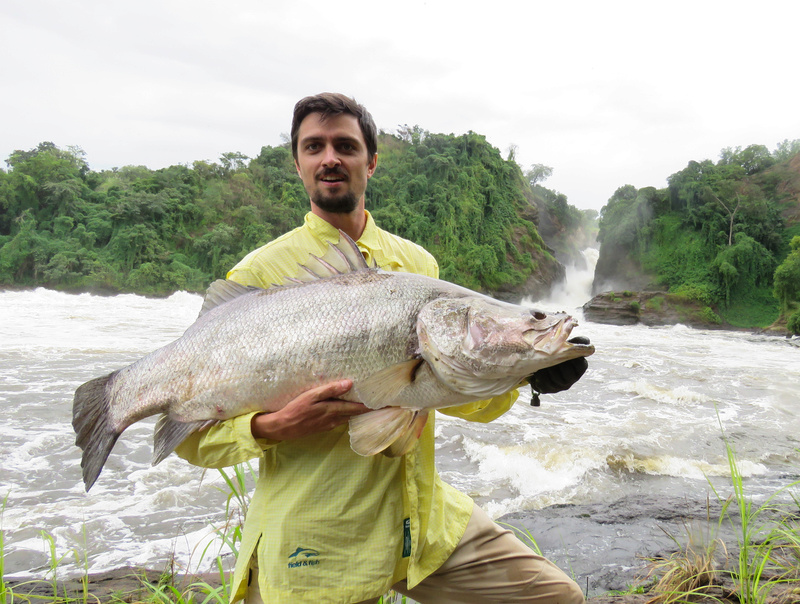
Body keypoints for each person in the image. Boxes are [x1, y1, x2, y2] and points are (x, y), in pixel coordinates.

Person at [176, 93, 587, 604]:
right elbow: (189, 438)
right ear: (298, 163)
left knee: (556, 598)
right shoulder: (259, 277)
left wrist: (523, 377)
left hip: (420, 519)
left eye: (345, 145)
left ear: (369, 161)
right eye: (314, 146)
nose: (330, 157)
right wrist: (271, 427)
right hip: (318, 537)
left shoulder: (416, 264)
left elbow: (445, 386)